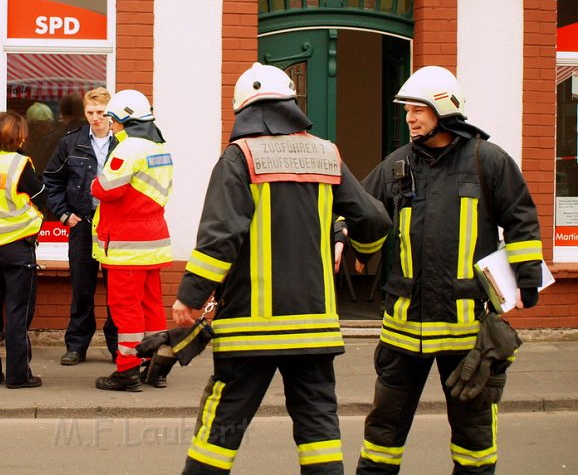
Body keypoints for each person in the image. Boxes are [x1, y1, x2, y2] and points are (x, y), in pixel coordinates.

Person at [172, 63, 392, 474]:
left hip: (249, 329)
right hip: (313, 326)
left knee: (221, 427)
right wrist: (361, 249)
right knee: (319, 430)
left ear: (243, 110)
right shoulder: (327, 154)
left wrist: (191, 295)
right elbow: (375, 220)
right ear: (292, 105)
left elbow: (221, 236)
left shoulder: (240, 157)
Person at [354, 66, 543, 475]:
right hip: (401, 332)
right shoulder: (397, 165)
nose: (409, 118)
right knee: (382, 435)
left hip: (466, 332)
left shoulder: (487, 161)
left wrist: (527, 278)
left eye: (418, 109)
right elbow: (363, 210)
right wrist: (343, 235)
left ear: (445, 109)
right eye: (407, 110)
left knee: (474, 437)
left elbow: (521, 220)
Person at [91, 89, 173, 392]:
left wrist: (93, 183)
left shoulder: (129, 149)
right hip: (153, 239)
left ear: (124, 118)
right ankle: (156, 368)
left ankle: (127, 371)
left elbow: (107, 190)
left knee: (125, 307)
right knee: (152, 306)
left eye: (112, 118)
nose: (110, 124)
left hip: (127, 243)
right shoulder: (160, 147)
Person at [43, 87, 119, 366]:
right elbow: (51, 179)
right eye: (90, 112)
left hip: (115, 227)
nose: (95, 118)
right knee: (82, 288)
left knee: (117, 289)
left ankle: (117, 345)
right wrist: (63, 215)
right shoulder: (71, 143)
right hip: (83, 224)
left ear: (110, 113)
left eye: (100, 113)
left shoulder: (124, 144)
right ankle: (76, 345)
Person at [0, 111, 45, 388]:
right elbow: (40, 195)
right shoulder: (20, 164)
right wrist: (36, 218)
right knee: (18, 313)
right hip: (17, 247)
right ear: (19, 136)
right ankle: (18, 376)